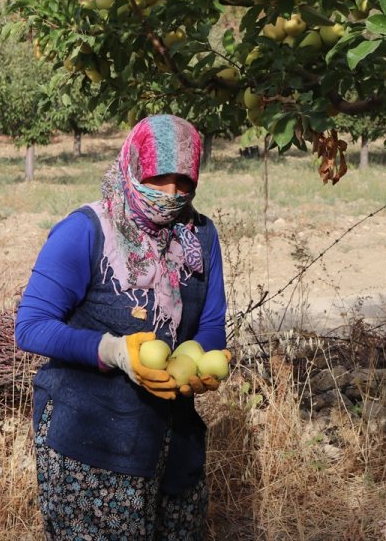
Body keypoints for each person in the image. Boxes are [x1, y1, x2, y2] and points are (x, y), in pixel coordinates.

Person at [15, 114, 228, 540]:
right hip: (92, 448)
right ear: (132, 166)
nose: (170, 194)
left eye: (183, 182)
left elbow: (210, 324)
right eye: (158, 179)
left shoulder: (199, 238)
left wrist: (200, 364)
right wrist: (113, 351)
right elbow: (31, 326)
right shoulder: (86, 231)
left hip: (174, 447)